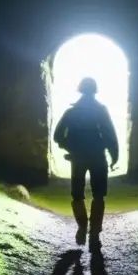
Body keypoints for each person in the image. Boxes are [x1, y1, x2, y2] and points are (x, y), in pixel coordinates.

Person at [53, 76, 118, 251]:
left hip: (78, 157)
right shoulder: (101, 111)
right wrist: (114, 156)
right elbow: (110, 136)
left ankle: (82, 227)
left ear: (80, 89)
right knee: (98, 195)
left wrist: (70, 147)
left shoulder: (72, 112)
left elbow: (57, 135)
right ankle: (95, 233)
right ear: (95, 90)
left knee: (77, 194)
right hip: (98, 157)